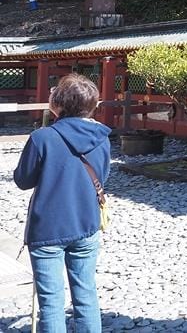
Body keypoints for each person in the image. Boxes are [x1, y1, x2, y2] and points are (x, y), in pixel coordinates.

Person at [15, 73, 111, 333]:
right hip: (86, 222)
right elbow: (103, 176)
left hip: (48, 228)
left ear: (57, 104)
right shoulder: (102, 136)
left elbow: (23, 180)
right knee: (86, 293)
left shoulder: (42, 138)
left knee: (51, 301)